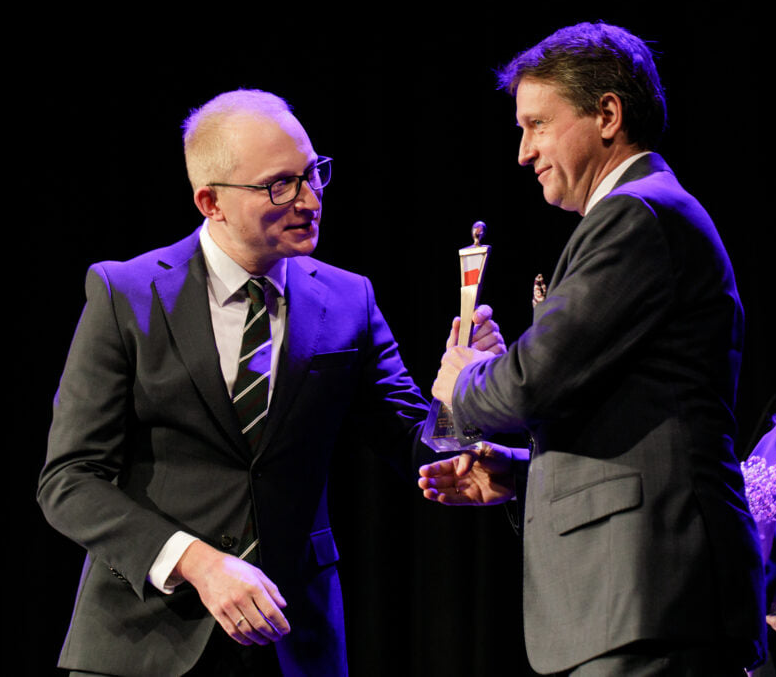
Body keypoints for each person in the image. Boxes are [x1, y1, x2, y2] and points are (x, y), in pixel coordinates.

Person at [38, 89, 504, 677]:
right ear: (211, 202)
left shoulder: (348, 298)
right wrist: (198, 563)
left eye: (313, 174)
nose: (309, 199)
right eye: (280, 185)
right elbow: (69, 480)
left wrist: (467, 392)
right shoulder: (126, 294)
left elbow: (414, 441)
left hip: (292, 640)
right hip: (143, 640)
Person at [419, 22, 766, 676]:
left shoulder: (637, 215)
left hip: (651, 598)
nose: (523, 152)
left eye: (537, 125)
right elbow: (630, 418)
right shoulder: (638, 215)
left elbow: (531, 382)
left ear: (607, 114)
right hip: (632, 601)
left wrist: (464, 380)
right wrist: (522, 474)